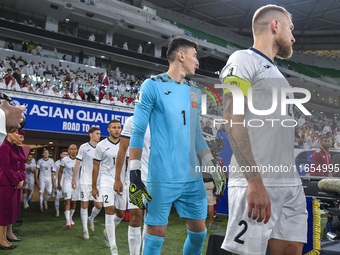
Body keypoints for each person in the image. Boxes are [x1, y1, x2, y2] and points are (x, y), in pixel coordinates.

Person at [219, 5, 307, 255]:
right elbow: (231, 118)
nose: (293, 37)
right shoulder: (243, 59)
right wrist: (254, 181)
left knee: (292, 249)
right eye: (290, 28)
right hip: (258, 180)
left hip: (289, 183)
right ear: (275, 25)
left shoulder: (279, 75)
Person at [129, 37, 226, 255]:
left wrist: (212, 166)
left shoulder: (194, 92)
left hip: (192, 178)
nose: (198, 62)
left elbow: (197, 135)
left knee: (199, 233)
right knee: (155, 237)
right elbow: (137, 131)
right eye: (195, 56)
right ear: (181, 56)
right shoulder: (152, 85)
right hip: (162, 177)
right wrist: (134, 172)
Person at [114, 116, 150, 255]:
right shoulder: (132, 121)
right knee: (135, 220)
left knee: (151, 221)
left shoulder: (162, 119)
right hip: (136, 177)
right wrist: (118, 178)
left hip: (157, 178)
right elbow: (122, 150)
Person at [92, 120, 126, 255]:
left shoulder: (125, 145)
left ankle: (107, 231)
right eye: (114, 128)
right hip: (106, 182)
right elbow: (96, 166)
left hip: (122, 183)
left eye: (119, 127)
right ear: (108, 129)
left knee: (121, 214)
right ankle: (113, 248)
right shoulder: (101, 146)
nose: (117, 130)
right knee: (109, 209)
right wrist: (94, 186)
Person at [71, 127, 102, 239]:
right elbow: (77, 163)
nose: (99, 135)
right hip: (85, 180)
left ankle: (91, 219)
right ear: (90, 135)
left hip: (98, 182)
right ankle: (85, 231)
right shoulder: (83, 147)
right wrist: (74, 178)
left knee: (99, 205)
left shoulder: (101, 147)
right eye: (97, 134)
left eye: (99, 134)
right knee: (84, 204)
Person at [0, 131, 25, 250]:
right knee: (4, 212)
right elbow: (6, 167)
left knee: (7, 212)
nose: (17, 134)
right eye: (15, 132)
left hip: (10, 183)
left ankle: (3, 238)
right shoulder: (5, 146)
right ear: (9, 133)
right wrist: (16, 181)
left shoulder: (8, 145)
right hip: (6, 182)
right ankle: (1, 240)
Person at [57, 145, 78, 228]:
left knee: (74, 202)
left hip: (76, 183)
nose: (73, 151)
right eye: (71, 149)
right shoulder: (64, 160)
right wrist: (59, 183)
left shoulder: (79, 160)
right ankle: (67, 221)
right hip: (67, 182)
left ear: (77, 150)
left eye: (74, 149)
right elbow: (60, 172)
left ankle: (70, 217)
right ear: (69, 150)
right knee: (67, 201)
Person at [52, 149, 68, 217]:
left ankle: (66, 211)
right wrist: (53, 182)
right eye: (64, 154)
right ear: (60, 155)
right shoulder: (57, 163)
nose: (65, 156)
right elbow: (53, 172)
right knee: (57, 197)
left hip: (66, 182)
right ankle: (57, 211)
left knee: (67, 197)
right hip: (59, 181)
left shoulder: (69, 162)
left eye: (66, 154)